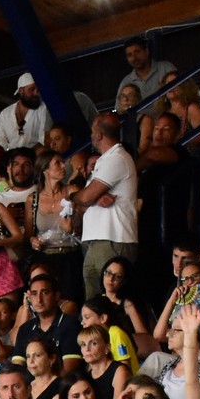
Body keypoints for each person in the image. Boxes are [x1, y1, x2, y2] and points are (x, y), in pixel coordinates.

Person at [76, 114, 140, 292]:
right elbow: (88, 197)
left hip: (113, 239)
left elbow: (85, 198)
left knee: (112, 299)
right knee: (94, 303)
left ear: (98, 135)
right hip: (99, 240)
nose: (91, 136)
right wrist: (93, 197)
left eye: (92, 132)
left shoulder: (117, 158)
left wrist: (74, 195)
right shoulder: (105, 160)